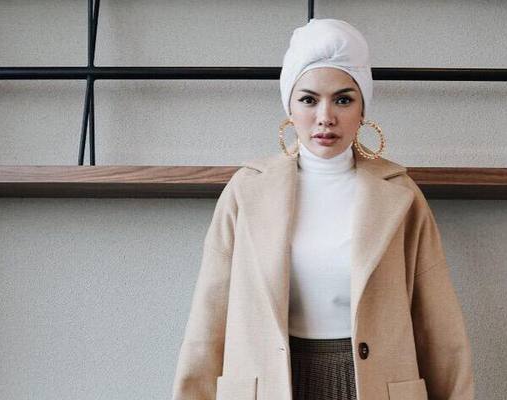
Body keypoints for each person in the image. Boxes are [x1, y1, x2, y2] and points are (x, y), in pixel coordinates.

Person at [171, 18, 474, 400]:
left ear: (363, 109)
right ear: (290, 107)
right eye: (309, 100)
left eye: (343, 99)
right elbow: (208, 322)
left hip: (373, 387)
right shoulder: (246, 191)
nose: (325, 117)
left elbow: (440, 331)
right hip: (273, 387)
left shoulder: (400, 195)